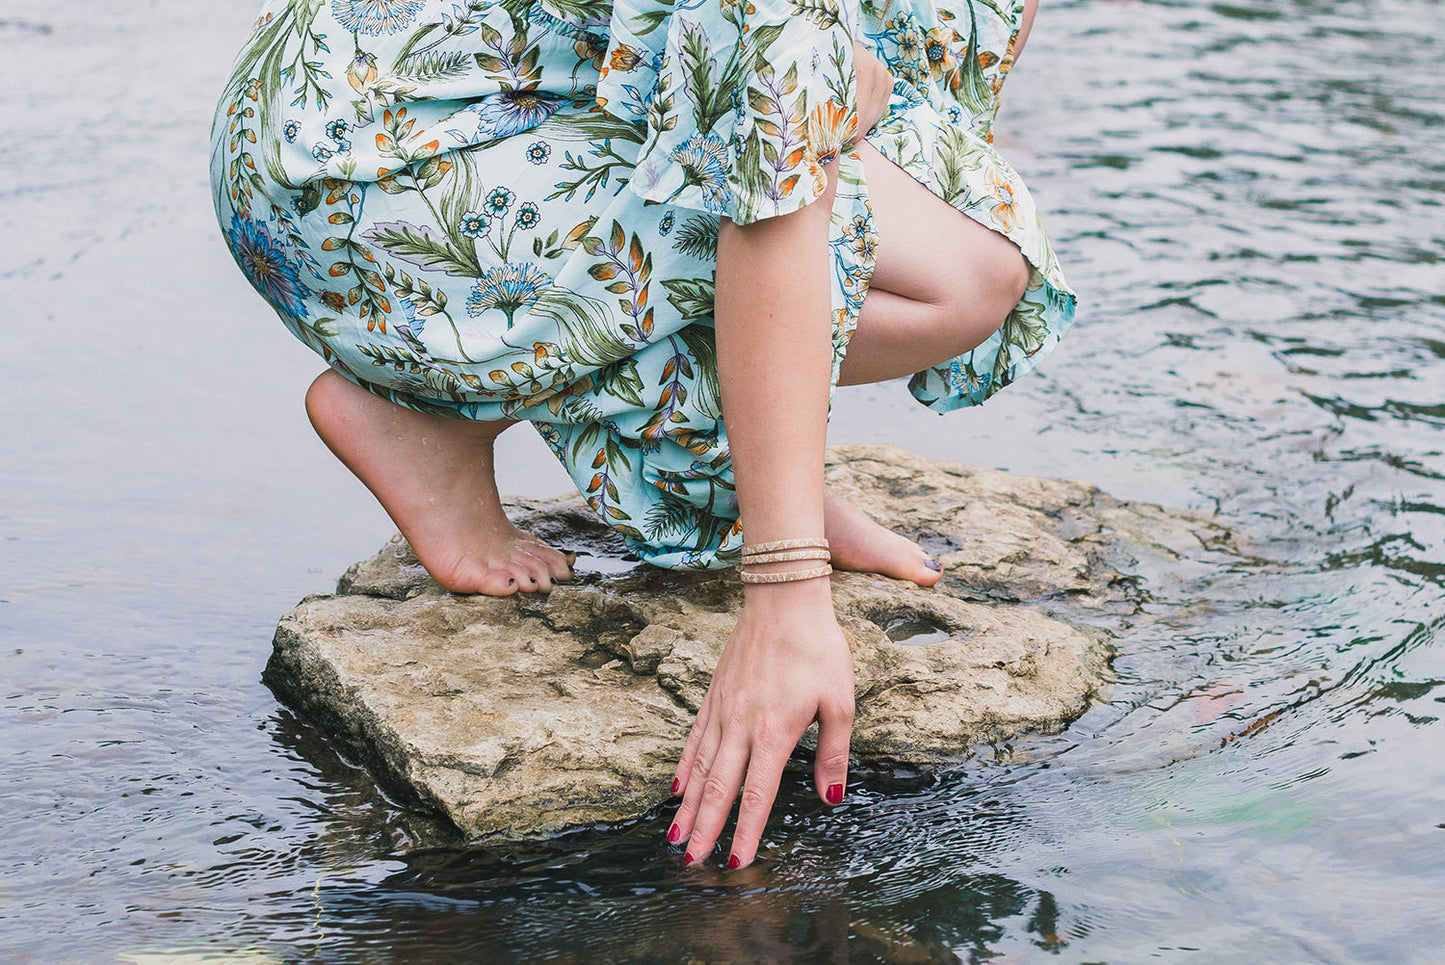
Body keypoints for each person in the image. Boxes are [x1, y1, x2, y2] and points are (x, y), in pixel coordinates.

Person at [212, 0, 1074, 869]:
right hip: (383, 186)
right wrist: (784, 587)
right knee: (963, 276)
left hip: (332, 123)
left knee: (881, 168)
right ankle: (446, 390)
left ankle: (434, 415)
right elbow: (768, 178)